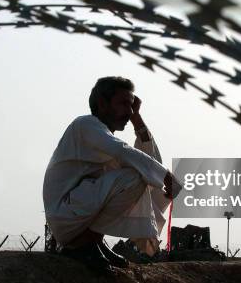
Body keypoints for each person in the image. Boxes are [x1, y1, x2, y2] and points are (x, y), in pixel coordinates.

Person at [42, 76, 182, 272]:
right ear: (102, 103)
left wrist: (137, 119)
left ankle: (93, 243)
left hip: (76, 212)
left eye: (132, 105)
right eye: (123, 104)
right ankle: (80, 246)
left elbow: (149, 159)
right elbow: (124, 151)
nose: (129, 111)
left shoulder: (103, 138)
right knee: (133, 179)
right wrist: (165, 175)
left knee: (140, 175)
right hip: (65, 215)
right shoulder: (86, 125)